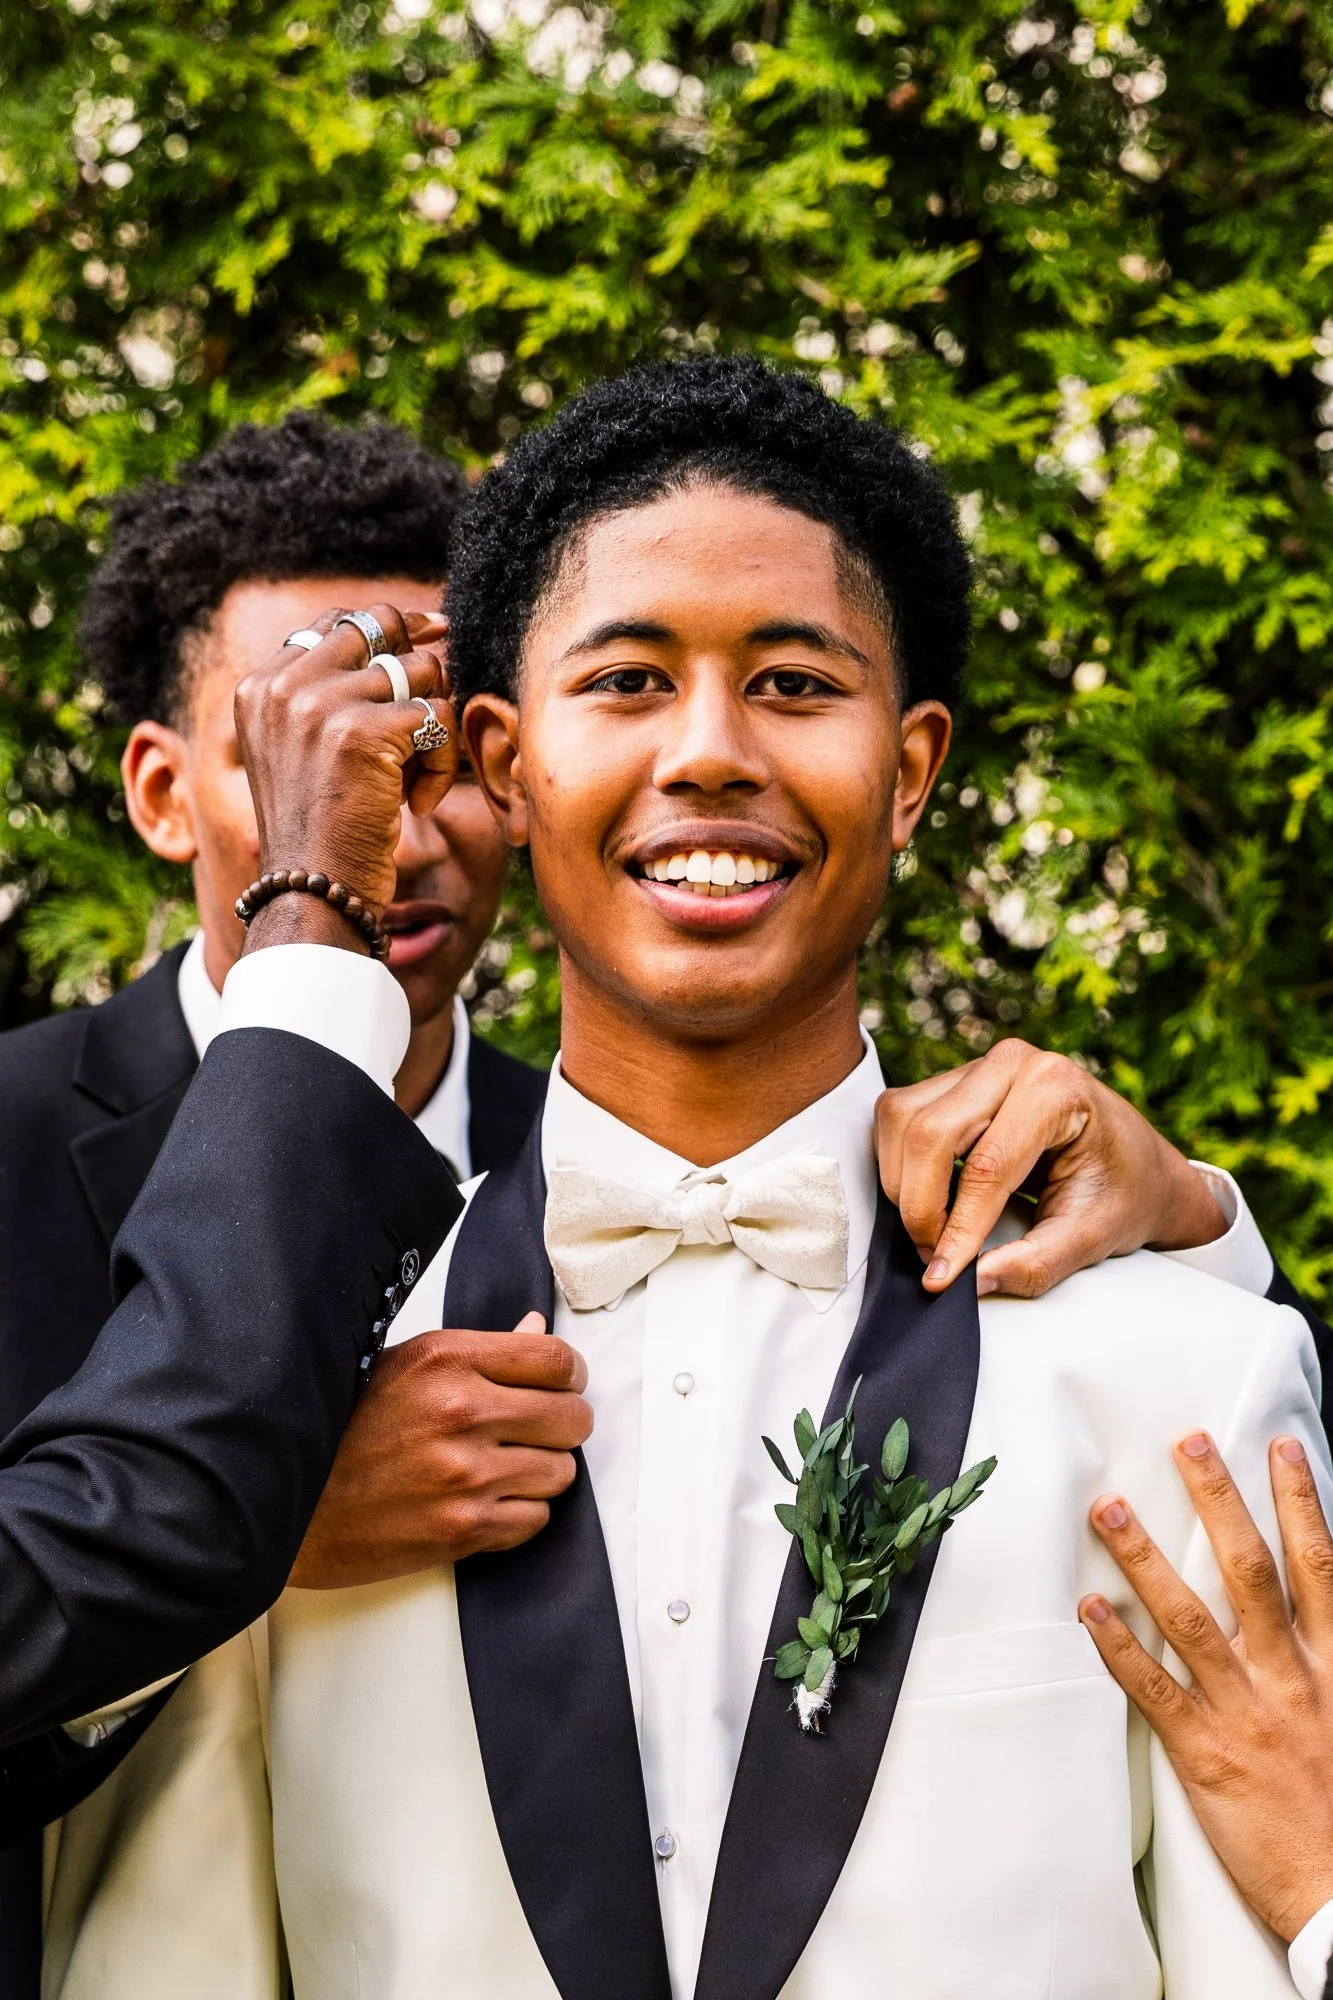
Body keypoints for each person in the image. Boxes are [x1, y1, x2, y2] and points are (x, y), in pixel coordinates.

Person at [44, 356, 1332, 1998]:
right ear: (498, 765)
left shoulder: (1182, 1371)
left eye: (796, 683)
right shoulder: (270, 1453)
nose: (712, 751)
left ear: (913, 767)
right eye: (631, 681)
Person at [0, 413, 580, 1987]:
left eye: (437, 747)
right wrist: (259, 1533)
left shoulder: (604, 1166)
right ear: (165, 793)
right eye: (309, 745)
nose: (389, 815)